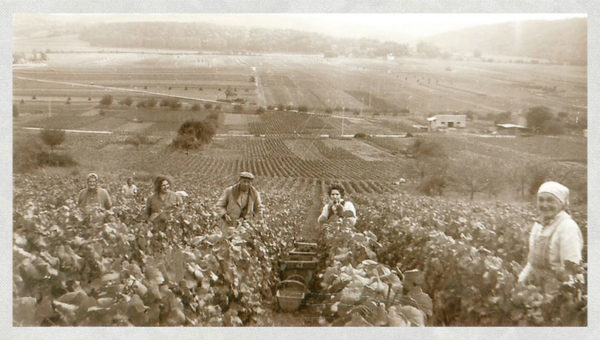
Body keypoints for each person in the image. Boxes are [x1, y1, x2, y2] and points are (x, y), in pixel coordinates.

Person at [518, 181, 583, 285]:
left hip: (559, 290)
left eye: (550, 200)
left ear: (561, 203)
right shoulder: (538, 225)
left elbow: (571, 271)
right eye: (541, 200)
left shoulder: (567, 227)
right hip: (537, 286)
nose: (544, 205)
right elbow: (532, 263)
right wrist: (519, 282)